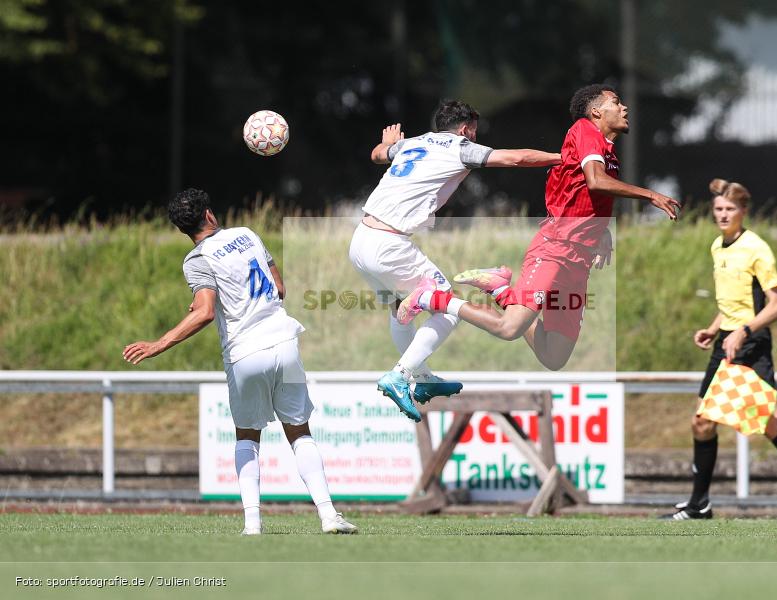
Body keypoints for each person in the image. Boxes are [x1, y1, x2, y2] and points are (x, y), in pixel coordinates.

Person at [124, 188, 357, 535]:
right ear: (209, 214)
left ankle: (253, 524)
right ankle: (328, 515)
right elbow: (279, 288)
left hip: (245, 352)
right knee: (299, 431)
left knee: (247, 436)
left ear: (183, 229)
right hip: (284, 341)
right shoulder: (247, 234)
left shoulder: (196, 259)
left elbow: (204, 311)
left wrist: (159, 343)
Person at [402, 84, 681, 371]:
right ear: (596, 112)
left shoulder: (607, 152)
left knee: (554, 356)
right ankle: (432, 297)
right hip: (555, 250)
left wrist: (601, 230)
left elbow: (582, 195)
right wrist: (651, 195)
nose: (624, 107)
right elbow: (596, 182)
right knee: (508, 328)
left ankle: (501, 290)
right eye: (616, 101)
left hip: (578, 262)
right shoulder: (585, 130)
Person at [349, 99, 561, 422]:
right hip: (389, 245)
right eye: (474, 130)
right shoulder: (460, 148)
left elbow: (377, 154)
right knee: (447, 306)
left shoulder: (413, 142)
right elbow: (515, 158)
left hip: (361, 240)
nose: (475, 136)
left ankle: (421, 377)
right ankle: (401, 375)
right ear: (465, 129)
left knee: (397, 307)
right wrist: (562, 158)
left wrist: (386, 144)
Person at [661, 178, 777, 521]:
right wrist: (714, 328)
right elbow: (734, 302)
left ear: (743, 211)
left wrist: (743, 331)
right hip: (727, 342)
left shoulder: (756, 248)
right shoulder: (718, 246)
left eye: (730, 209)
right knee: (704, 423)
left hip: (750, 344)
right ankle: (700, 504)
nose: (723, 215)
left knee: (762, 422)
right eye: (718, 209)